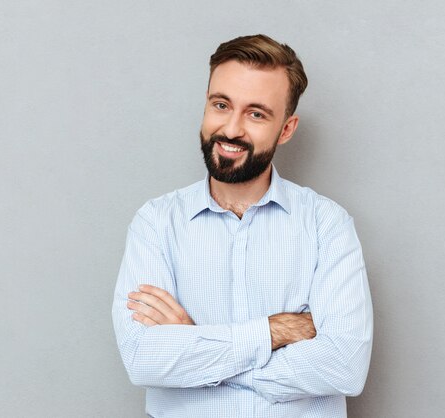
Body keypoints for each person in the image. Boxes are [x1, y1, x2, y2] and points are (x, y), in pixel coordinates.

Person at [112, 34, 373, 418]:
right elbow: (142, 360)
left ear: (286, 129)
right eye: (221, 105)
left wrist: (193, 346)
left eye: (256, 113)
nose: (231, 129)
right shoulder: (156, 223)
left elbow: (345, 366)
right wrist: (274, 332)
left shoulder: (326, 224)